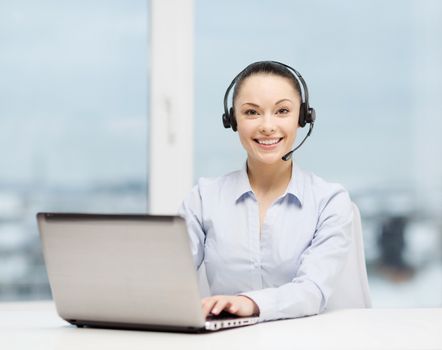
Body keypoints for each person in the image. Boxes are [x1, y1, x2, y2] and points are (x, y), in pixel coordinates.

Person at [179, 61, 353, 322]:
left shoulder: (329, 201)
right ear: (232, 120)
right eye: (252, 112)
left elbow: (312, 291)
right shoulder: (204, 198)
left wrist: (248, 303)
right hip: (225, 342)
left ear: (303, 118)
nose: (267, 126)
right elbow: (169, 276)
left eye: (282, 111)